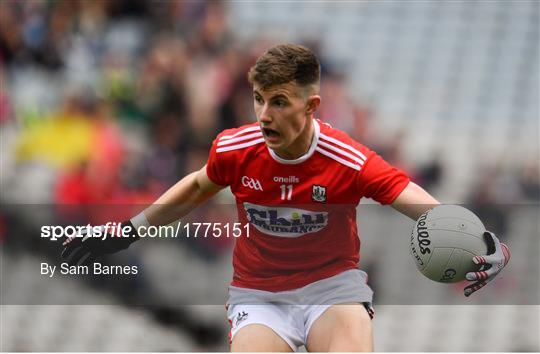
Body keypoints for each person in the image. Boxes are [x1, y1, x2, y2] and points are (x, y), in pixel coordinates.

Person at [62, 44, 510, 352]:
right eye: (258, 99)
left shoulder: (347, 159)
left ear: (311, 106)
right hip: (259, 295)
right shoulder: (236, 149)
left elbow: (414, 200)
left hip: (331, 289)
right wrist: (127, 231)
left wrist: (483, 241)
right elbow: (198, 185)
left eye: (278, 102)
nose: (263, 115)